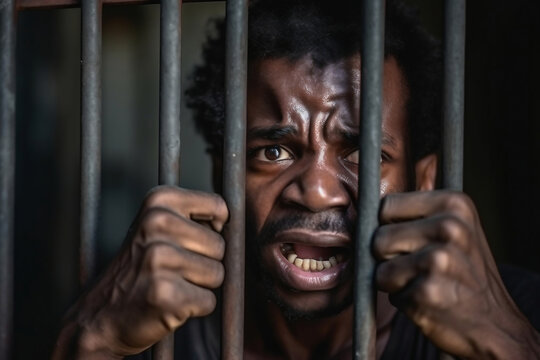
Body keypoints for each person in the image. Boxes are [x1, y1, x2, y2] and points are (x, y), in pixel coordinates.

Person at [53, 0, 540, 359]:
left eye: (364, 156)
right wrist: (90, 343)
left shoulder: (521, 316)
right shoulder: (147, 320)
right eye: (274, 151)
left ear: (426, 181)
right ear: (223, 174)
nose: (317, 191)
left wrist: (510, 346)